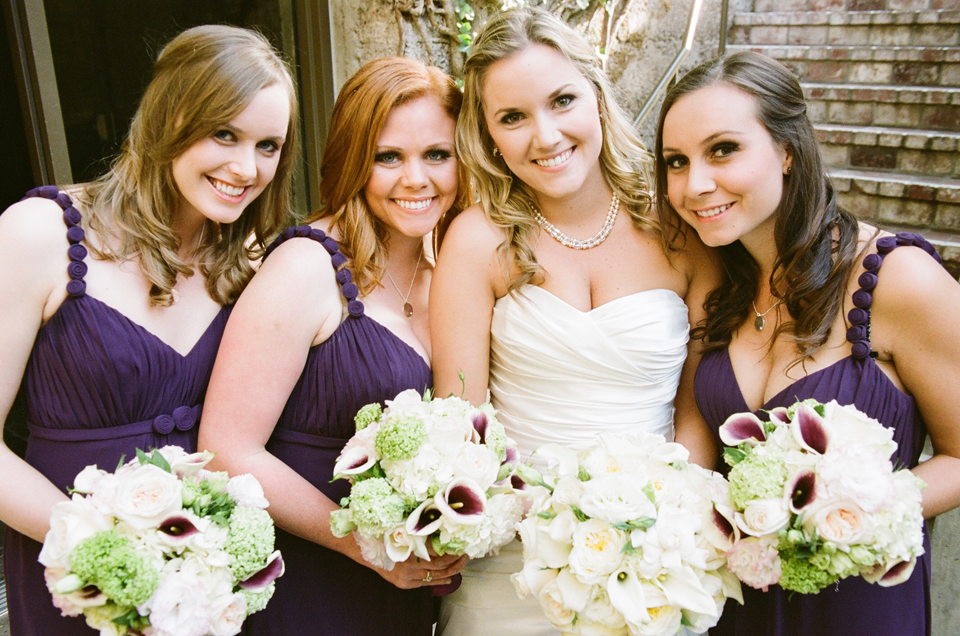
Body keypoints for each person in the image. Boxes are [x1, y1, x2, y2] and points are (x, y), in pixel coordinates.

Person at [430, 8, 721, 635]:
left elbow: (696, 408)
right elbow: (461, 422)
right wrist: (534, 524)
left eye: (562, 101)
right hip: (513, 561)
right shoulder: (478, 241)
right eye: (512, 117)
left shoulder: (679, 229)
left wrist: (670, 521)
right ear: (487, 134)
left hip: (654, 556)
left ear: (597, 95)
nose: (546, 136)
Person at [0, 24, 297, 635]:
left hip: (208, 591)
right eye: (224, 134)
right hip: (79, 584)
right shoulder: (40, 235)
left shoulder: (253, 266)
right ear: (169, 119)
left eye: (268, 145)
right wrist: (113, 556)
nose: (246, 167)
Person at [655, 50, 960, 636]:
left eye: (723, 149)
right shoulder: (719, 287)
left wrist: (839, 513)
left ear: (788, 150)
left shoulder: (899, 280)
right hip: (735, 605)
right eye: (676, 161)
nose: (695, 184)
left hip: (854, 605)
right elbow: (694, 447)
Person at [197, 56, 471, 636]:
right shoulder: (306, 266)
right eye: (387, 157)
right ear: (353, 160)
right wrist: (364, 544)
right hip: (312, 584)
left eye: (436, 155)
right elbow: (226, 448)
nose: (415, 179)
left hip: (403, 591)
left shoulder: (446, 271)